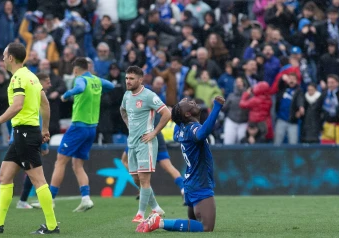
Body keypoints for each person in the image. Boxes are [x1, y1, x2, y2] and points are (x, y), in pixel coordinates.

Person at [0, 42, 59, 234]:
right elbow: (45, 103)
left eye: (4, 56)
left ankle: (52, 226)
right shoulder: (32, 77)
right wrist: (44, 128)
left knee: (38, 180)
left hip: (25, 133)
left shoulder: (18, 78)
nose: (3, 59)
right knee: (4, 176)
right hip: (26, 133)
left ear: (11, 58)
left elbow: (17, 105)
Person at [136, 95, 225, 233]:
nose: (193, 101)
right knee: (206, 228)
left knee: (193, 225)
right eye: (189, 103)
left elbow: (179, 125)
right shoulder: (191, 129)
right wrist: (217, 108)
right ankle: (159, 222)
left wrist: (180, 108)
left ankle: (158, 222)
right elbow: (203, 133)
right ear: (187, 114)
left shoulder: (180, 130)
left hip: (190, 182)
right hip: (200, 183)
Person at [38, 57, 114, 212]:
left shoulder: (80, 79)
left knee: (60, 161)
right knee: (77, 164)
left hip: (78, 126)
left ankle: (49, 199)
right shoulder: (96, 81)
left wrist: (67, 94)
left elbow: (79, 88)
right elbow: (111, 85)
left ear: (76, 70)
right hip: (92, 128)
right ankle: (86, 198)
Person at [0, 73, 52, 209]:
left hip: (19, 136)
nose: (49, 85)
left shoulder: (25, 95)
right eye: (47, 82)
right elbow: (34, 122)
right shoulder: (34, 97)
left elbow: (16, 115)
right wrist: (43, 145)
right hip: (26, 138)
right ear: (40, 82)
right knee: (34, 174)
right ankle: (25, 203)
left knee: (7, 171)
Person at [120, 66, 172, 223]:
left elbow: (167, 113)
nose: (128, 81)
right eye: (127, 78)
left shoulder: (149, 96)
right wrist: (129, 125)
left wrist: (154, 132)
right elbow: (122, 111)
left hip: (145, 142)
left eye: (131, 79)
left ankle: (140, 214)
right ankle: (155, 207)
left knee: (144, 179)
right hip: (132, 143)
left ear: (140, 80)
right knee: (136, 179)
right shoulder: (127, 96)